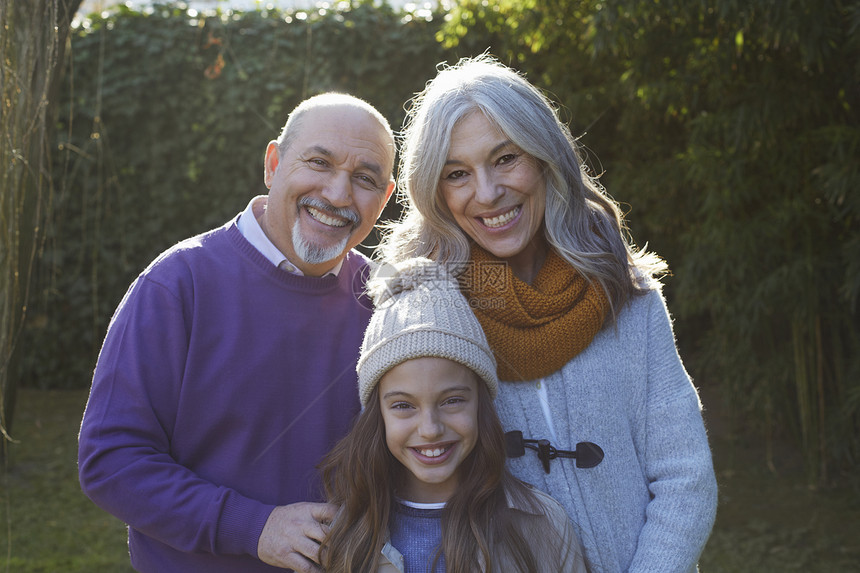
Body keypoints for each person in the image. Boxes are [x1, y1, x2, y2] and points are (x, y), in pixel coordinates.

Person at [378, 55, 719, 573]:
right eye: (457, 174)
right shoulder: (430, 313)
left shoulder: (627, 295)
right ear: (436, 193)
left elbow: (685, 479)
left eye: (506, 158)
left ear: (544, 157)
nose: (488, 192)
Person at [78, 92, 396, 572]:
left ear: (385, 197)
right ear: (273, 164)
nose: (337, 194)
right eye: (318, 162)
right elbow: (111, 460)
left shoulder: (387, 302)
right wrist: (252, 526)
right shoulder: (177, 284)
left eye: (364, 178)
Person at [318, 258, 588, 572]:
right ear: (377, 414)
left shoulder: (543, 526)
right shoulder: (344, 536)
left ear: (481, 404)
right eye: (404, 405)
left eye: (452, 401)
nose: (430, 429)